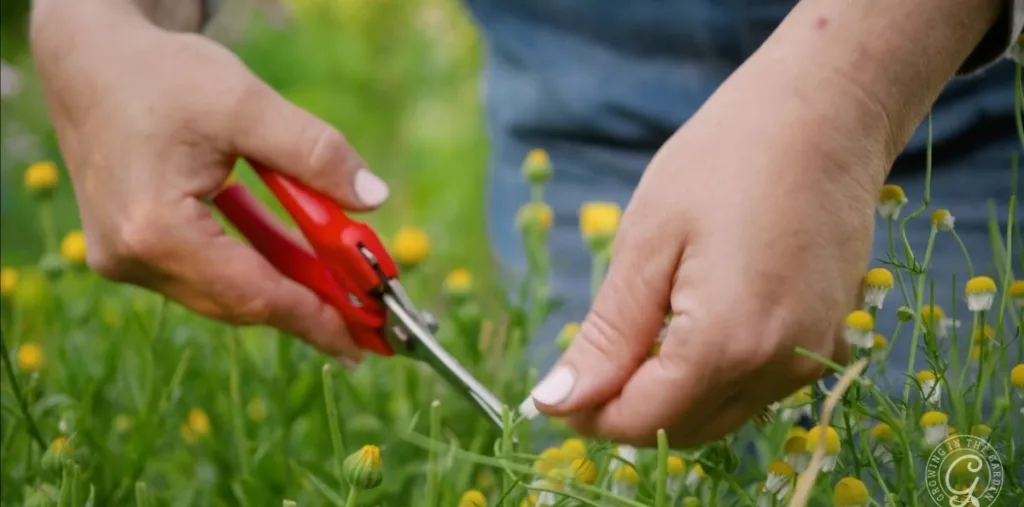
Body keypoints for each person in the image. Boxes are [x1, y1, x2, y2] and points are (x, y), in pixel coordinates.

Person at [28, 0, 1021, 448]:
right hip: (580, 123)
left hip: (952, 112)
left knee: (941, 481)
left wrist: (852, 78)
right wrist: (93, 17)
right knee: (618, 495)